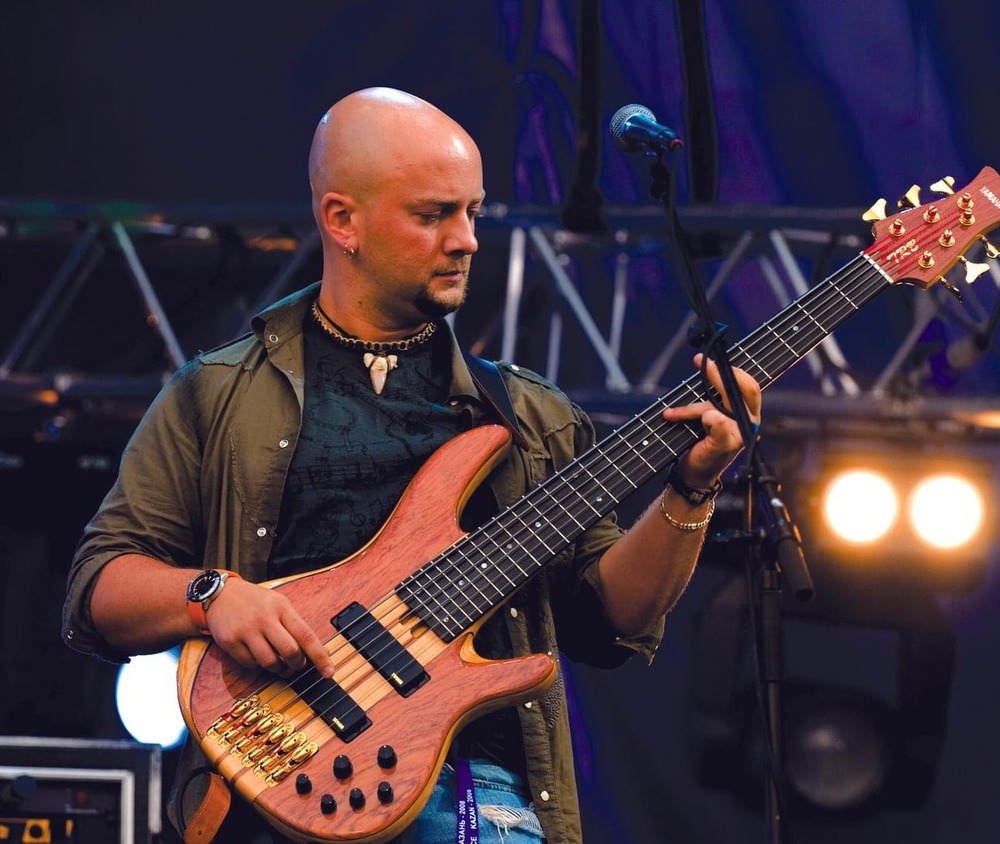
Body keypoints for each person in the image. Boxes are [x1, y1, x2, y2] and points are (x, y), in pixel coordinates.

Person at [62, 87, 761, 843]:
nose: (467, 240)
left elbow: (610, 620)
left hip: (473, 797)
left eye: (474, 212)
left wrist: (692, 485)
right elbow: (98, 588)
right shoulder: (218, 392)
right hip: (269, 785)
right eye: (434, 215)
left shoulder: (529, 414)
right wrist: (211, 595)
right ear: (343, 221)